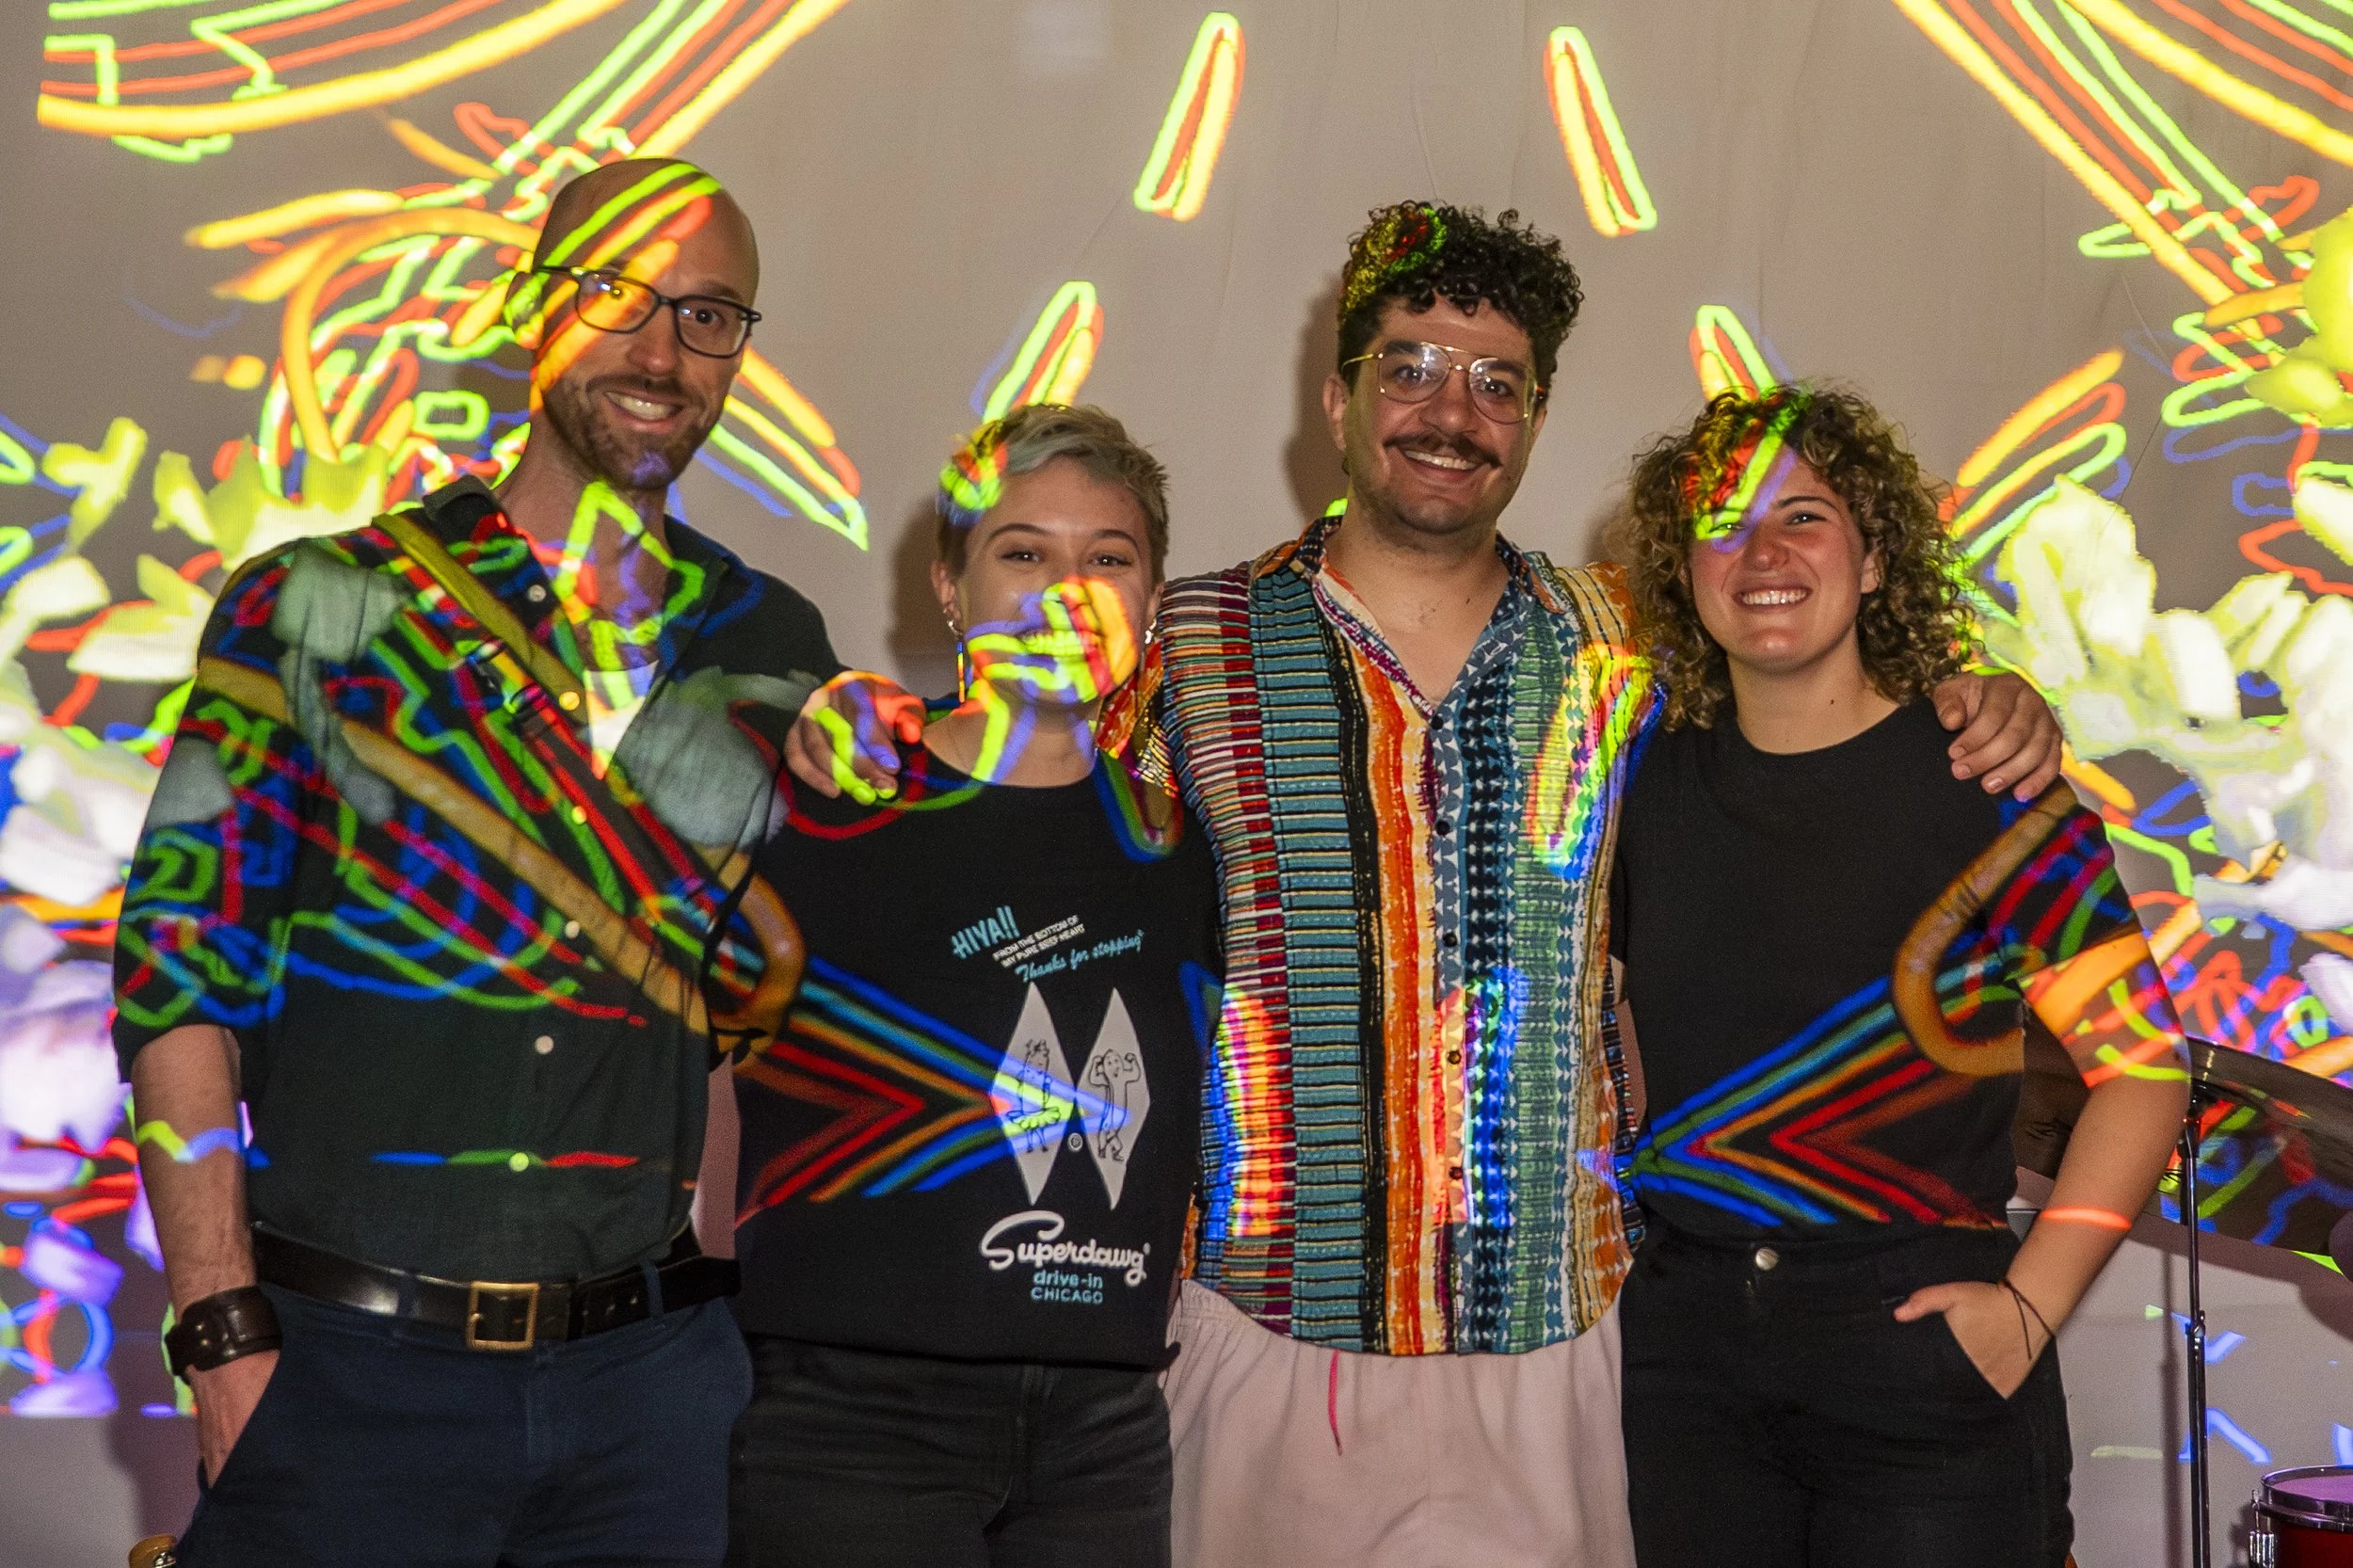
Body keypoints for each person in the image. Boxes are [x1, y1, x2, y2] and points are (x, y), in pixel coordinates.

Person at [787, 202, 2068, 1567]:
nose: (1451, 412)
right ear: (1338, 397)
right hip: (1266, 1326)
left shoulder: (1633, 643)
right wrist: (866, 713)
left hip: (1565, 1340)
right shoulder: (1189, 640)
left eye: (1495, 383)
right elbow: (1016, 785)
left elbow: (1816, 700)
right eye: (1409, 369)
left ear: (1534, 418)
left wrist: (1978, 690)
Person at [111, 158, 837, 1565]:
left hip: (649, 1397)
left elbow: (759, 1007)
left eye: (707, 315)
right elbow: (176, 984)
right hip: (344, 1381)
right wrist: (219, 1332)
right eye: (616, 294)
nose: (661, 351)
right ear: (525, 308)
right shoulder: (320, 604)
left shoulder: (772, 641)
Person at [1609, 386, 2189, 1568]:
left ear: (1874, 559)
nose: (1762, 553)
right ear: (1684, 569)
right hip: (1688, 1360)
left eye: (1804, 517)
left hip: (1920, 1351)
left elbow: (2145, 1070)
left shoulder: (1990, 784)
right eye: (1722, 523)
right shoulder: (1637, 786)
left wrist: (2026, 1310)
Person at [714, 403, 1219, 1567]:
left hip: (1105, 1432)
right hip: (853, 1426)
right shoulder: (823, 800)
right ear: (949, 585)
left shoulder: (1182, 844)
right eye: (1023, 552)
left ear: (1150, 599)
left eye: (1108, 559)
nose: (1067, 592)